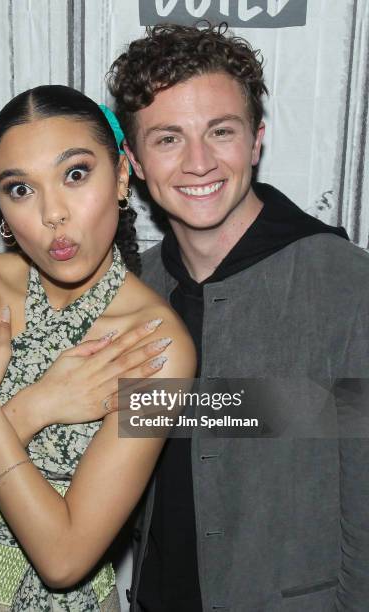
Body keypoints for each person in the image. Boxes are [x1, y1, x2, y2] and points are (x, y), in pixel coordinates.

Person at [0, 85, 196, 611]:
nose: (53, 213)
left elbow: (64, 557)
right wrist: (37, 405)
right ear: (0, 207)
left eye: (75, 174)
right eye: (20, 189)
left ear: (122, 174)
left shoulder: (154, 344)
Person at [107, 22, 369, 612]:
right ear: (135, 161)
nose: (198, 162)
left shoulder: (349, 287)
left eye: (220, 132)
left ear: (255, 141)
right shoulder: (128, 290)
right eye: (168, 138)